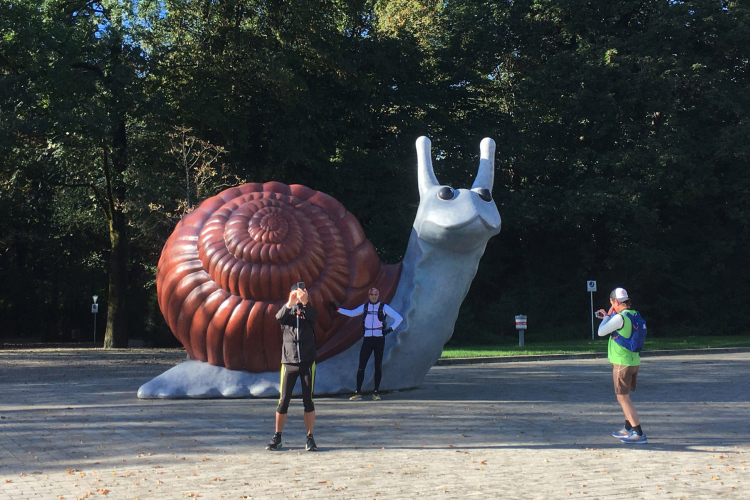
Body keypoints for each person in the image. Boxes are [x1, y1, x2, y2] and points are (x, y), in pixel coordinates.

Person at [266, 282, 318, 452]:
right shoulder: (287, 312)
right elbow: (278, 317)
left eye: (302, 292)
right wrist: (290, 302)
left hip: (307, 362)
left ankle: (310, 437)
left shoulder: (308, 310)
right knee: (283, 401)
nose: (299, 295)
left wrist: (305, 302)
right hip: (289, 362)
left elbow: (314, 317)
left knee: (308, 401)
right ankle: (277, 437)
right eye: (296, 292)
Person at [595, 287, 647, 444]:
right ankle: (627, 428)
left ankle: (638, 433)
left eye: (612, 303)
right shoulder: (633, 314)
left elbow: (601, 332)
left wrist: (607, 316)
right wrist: (610, 316)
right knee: (626, 396)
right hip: (633, 362)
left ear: (616, 302)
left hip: (622, 364)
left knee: (622, 398)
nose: (612, 306)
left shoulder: (619, 318)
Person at [332, 287, 403, 401]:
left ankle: (376, 392)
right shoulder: (365, 307)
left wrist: (389, 330)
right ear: (369, 296)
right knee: (362, 365)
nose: (374, 297)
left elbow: (399, 318)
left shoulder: (384, 307)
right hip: (368, 339)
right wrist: (337, 309)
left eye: (376, 295)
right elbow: (352, 313)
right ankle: (358, 392)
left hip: (379, 339)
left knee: (377, 365)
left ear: (378, 295)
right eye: (372, 295)